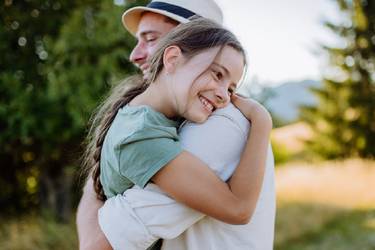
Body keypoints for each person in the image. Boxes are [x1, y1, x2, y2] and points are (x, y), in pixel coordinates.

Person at [77, 1, 276, 250]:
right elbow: (238, 208)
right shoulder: (143, 133)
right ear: (173, 57)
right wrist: (262, 120)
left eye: (150, 39)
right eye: (217, 75)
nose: (134, 55)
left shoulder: (216, 129)